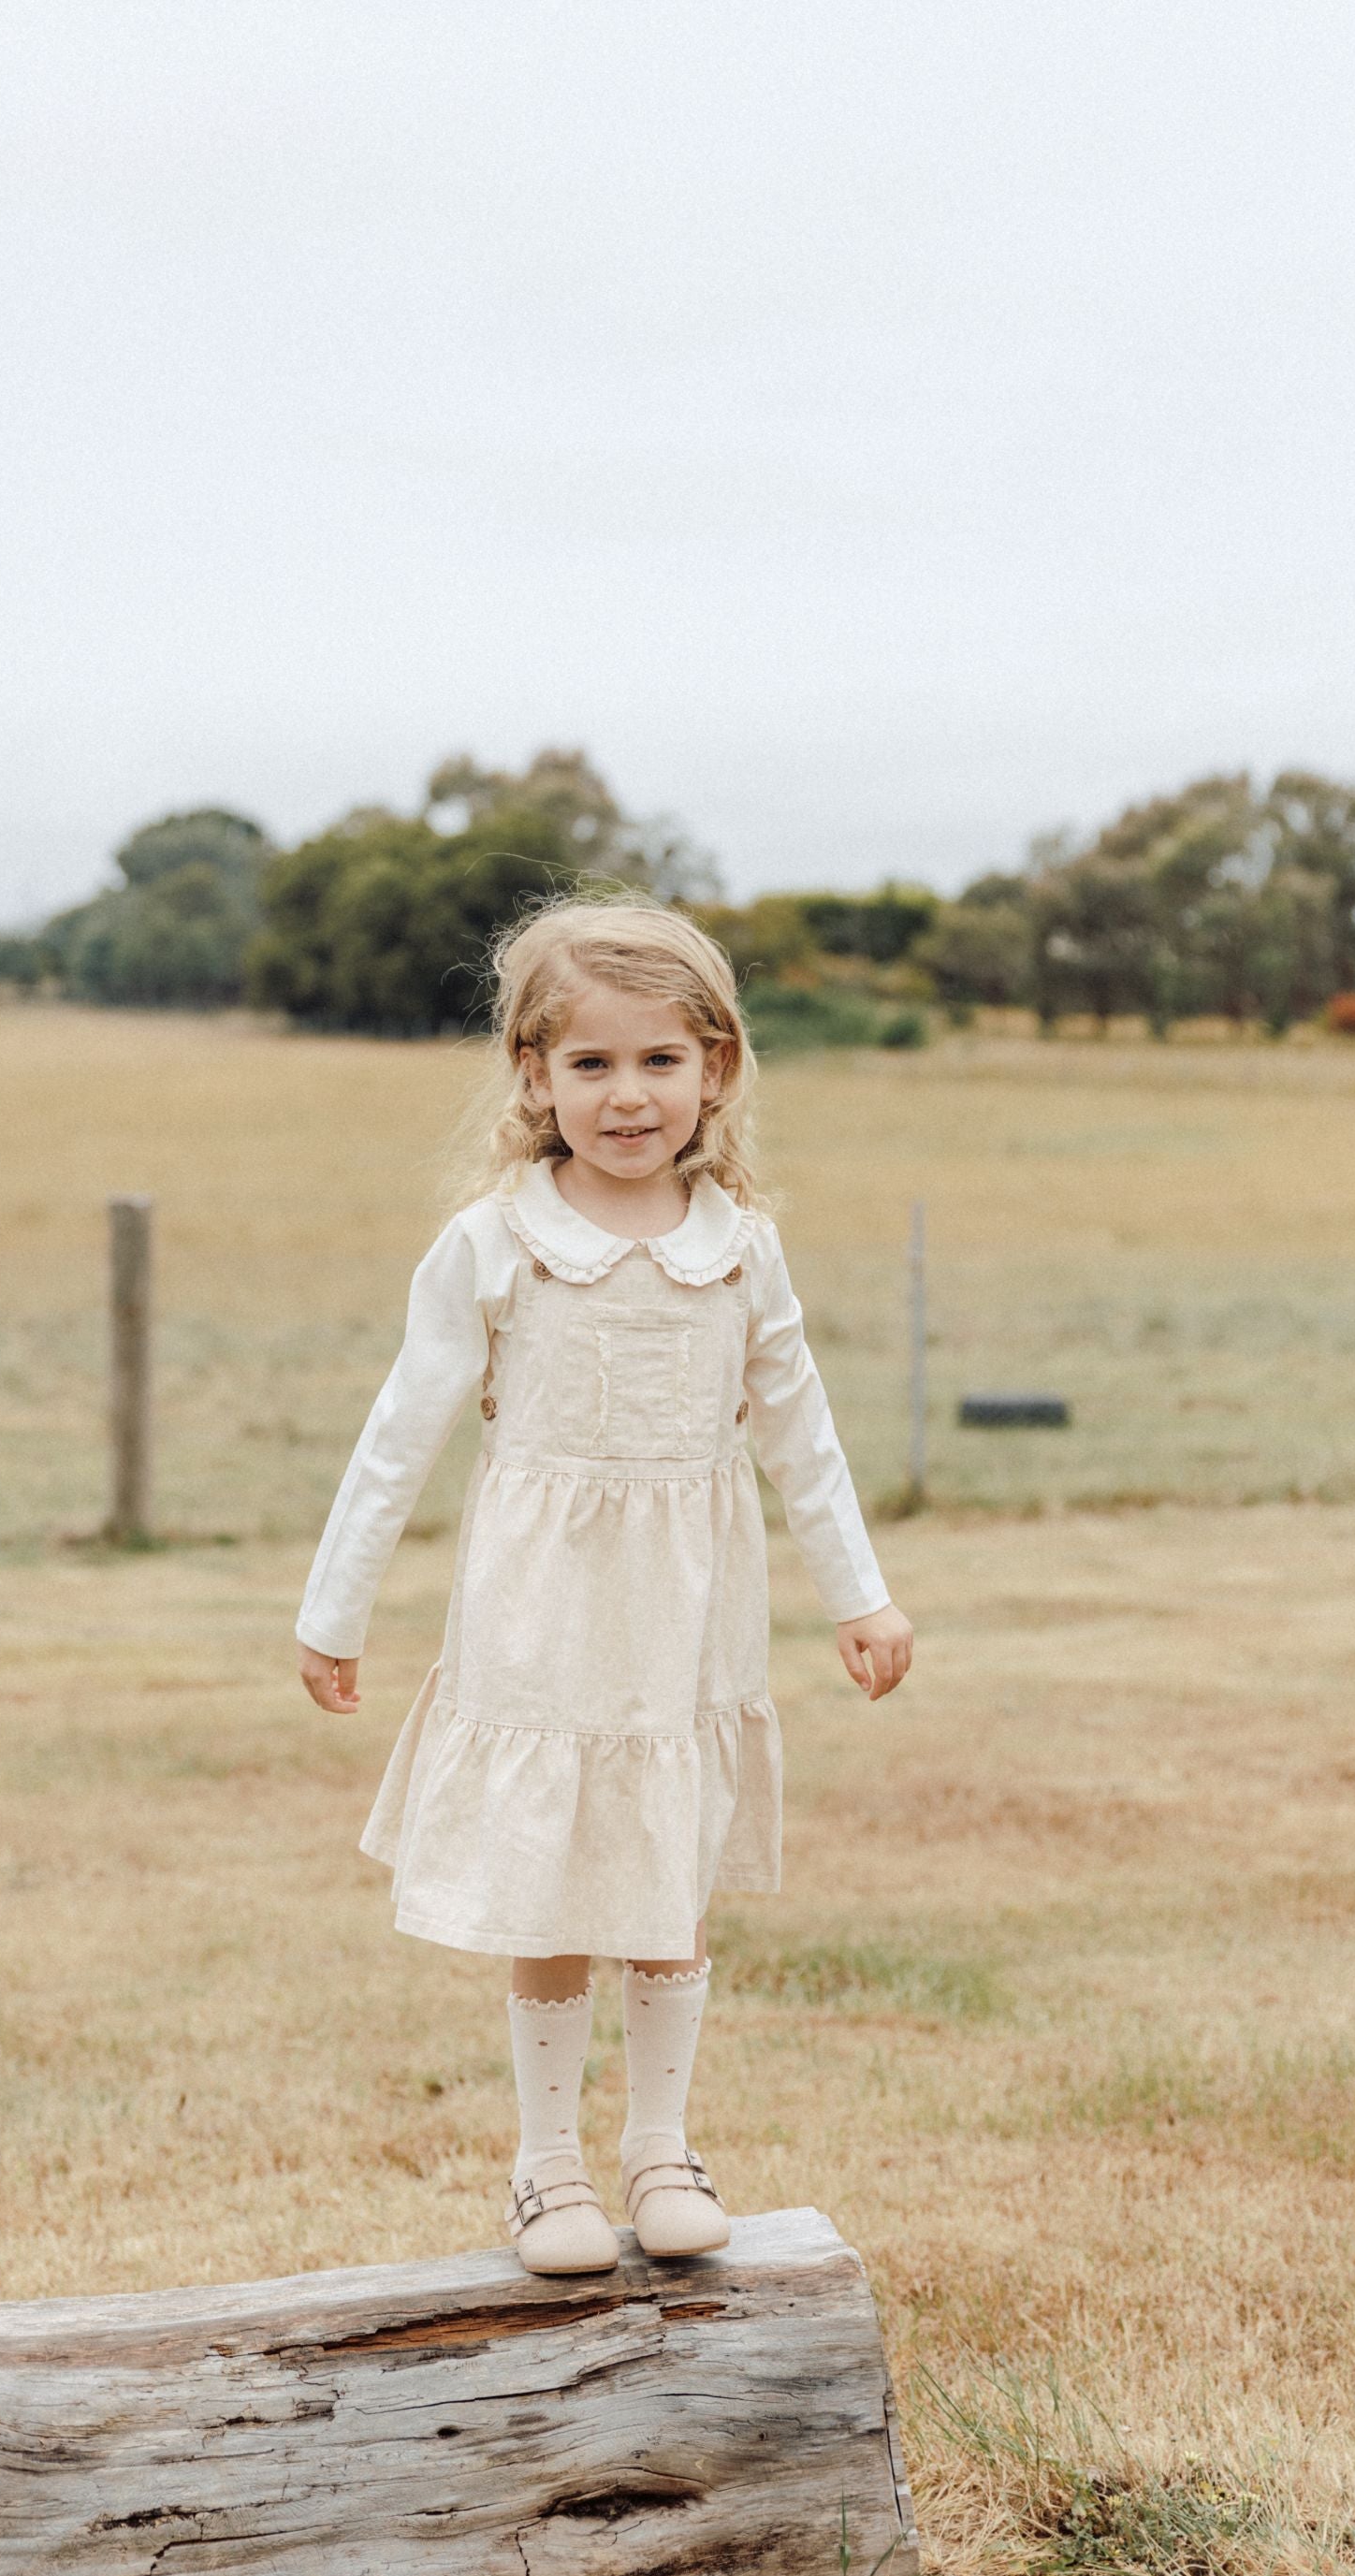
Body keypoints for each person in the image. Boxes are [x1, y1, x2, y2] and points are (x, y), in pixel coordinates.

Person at [297, 896, 912, 2276]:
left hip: (689, 1612)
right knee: (558, 1884)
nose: (626, 1096)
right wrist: (333, 1615)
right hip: (543, 1611)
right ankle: (548, 2167)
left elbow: (801, 1432)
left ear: (716, 1071)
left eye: (658, 1062)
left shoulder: (741, 1246)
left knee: (667, 1873)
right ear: (534, 1075)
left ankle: (661, 2146)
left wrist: (859, 1596)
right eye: (590, 1065)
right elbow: (402, 1431)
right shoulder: (495, 1243)